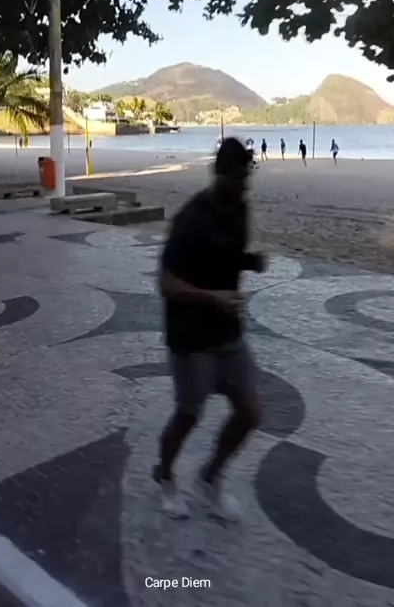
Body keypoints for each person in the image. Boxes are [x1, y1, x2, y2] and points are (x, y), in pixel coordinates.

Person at [154, 137, 266, 521]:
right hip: (191, 336)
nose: (244, 186)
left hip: (227, 331)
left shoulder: (241, 208)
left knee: (251, 413)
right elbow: (166, 283)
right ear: (218, 174)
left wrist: (250, 261)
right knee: (189, 414)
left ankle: (210, 476)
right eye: (238, 179)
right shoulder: (190, 219)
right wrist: (212, 297)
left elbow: (224, 254)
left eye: (247, 178)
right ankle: (165, 476)